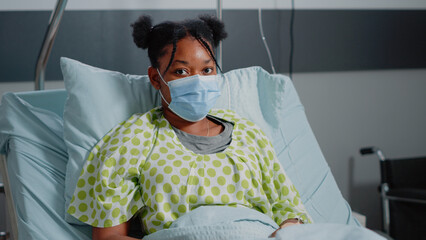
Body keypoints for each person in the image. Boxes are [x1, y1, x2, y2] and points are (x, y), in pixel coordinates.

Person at [67, 15, 312, 240]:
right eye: (181, 71)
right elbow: (108, 237)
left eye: (207, 70)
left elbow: (290, 209)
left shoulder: (249, 133)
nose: (198, 81)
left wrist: (288, 228)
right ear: (155, 78)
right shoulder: (132, 141)